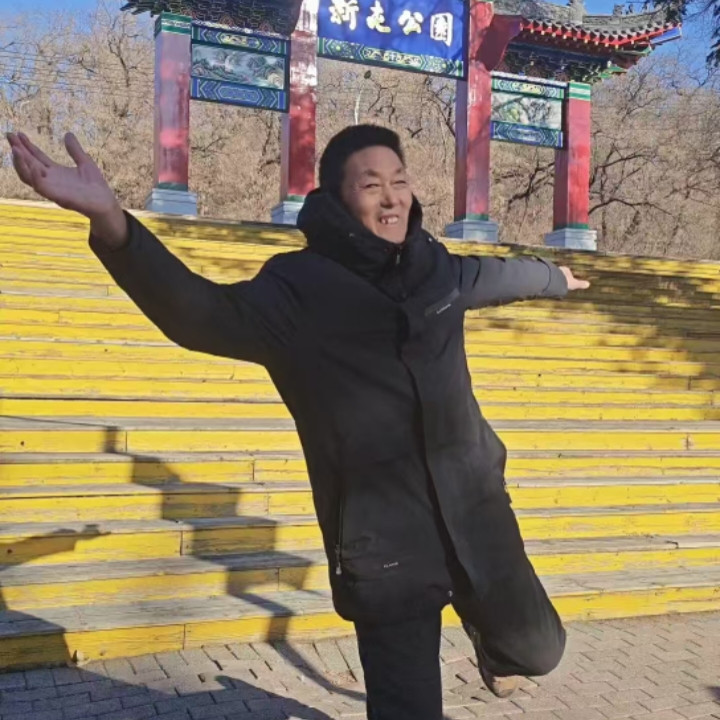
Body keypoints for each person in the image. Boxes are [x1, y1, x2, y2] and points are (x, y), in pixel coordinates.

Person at [6, 125, 590, 720]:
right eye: (371, 185)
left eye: (399, 181)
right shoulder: (296, 290)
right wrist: (112, 222)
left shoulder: (432, 266)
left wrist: (555, 278)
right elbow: (195, 312)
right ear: (338, 198)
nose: (392, 198)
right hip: (384, 537)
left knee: (538, 649)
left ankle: (495, 649)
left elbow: (493, 277)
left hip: (474, 503)